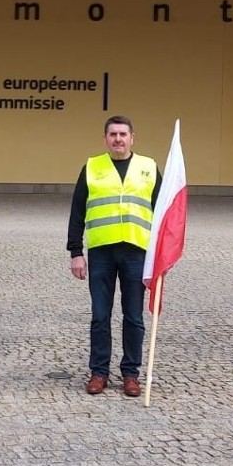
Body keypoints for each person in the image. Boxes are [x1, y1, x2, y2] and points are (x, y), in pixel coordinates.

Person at [67, 115, 161, 398]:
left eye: (123, 134)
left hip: (136, 251)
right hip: (102, 252)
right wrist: (76, 252)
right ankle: (99, 373)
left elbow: (163, 213)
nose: (118, 139)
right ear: (105, 138)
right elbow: (77, 212)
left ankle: (130, 374)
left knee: (133, 317)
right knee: (100, 315)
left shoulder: (149, 167)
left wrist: (161, 254)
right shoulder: (92, 167)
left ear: (133, 137)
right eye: (112, 134)